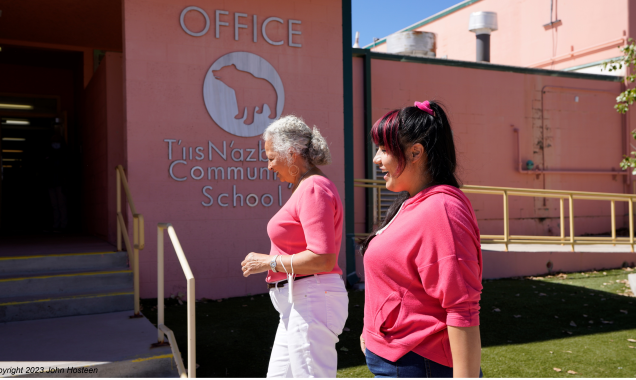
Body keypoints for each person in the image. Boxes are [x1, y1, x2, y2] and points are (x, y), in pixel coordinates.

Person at [359, 101, 483, 378]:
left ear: (415, 152)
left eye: (384, 149)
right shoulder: (411, 202)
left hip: (420, 363)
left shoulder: (441, 210)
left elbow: (462, 307)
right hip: (398, 357)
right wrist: (372, 329)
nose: (377, 159)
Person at [241, 115, 349, 378]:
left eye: (270, 157)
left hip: (310, 299)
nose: (268, 166)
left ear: (291, 153)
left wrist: (268, 262)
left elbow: (322, 257)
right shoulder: (306, 187)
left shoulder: (313, 188)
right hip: (299, 302)